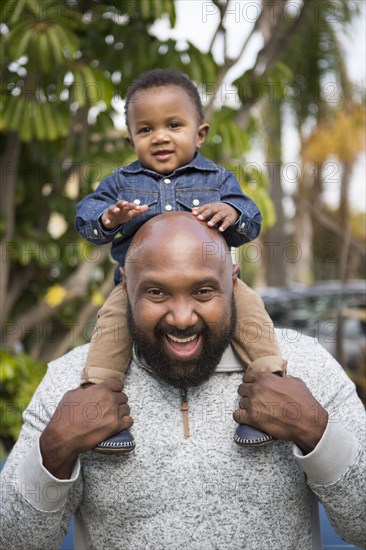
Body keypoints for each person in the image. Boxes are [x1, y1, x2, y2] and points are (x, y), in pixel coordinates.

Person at [0, 213, 365, 550]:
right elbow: (14, 541)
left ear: (233, 283)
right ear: (125, 287)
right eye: (156, 292)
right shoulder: (72, 381)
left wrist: (316, 431)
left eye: (203, 291)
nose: (181, 318)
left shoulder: (306, 366)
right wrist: (54, 452)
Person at [75, 68, 286, 452]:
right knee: (109, 331)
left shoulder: (218, 180)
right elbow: (86, 215)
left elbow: (250, 218)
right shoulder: (121, 184)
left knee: (252, 314)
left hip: (214, 286)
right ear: (131, 139)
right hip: (137, 290)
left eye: (173, 125)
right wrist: (107, 219)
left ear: (199, 133)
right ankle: (100, 409)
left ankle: (271, 394)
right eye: (146, 129)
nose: (160, 137)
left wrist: (232, 214)